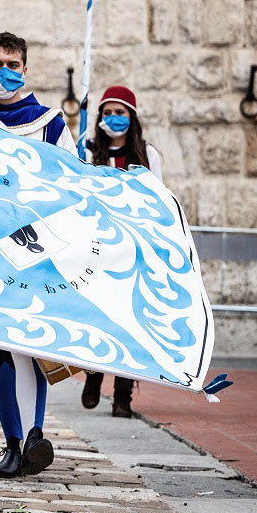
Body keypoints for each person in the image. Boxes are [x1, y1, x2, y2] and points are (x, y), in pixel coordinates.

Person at [0, 32, 74, 480]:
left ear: (25, 70)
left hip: (34, 242)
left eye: (12, 65)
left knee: (32, 344)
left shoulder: (49, 122)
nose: (4, 73)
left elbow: (72, 180)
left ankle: (34, 436)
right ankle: (13, 441)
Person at [80, 85, 163, 418]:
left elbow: (158, 203)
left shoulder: (147, 155)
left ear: (132, 116)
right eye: (108, 112)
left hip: (133, 251)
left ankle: (123, 397)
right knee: (99, 319)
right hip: (98, 250)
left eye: (121, 112)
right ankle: (93, 374)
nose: (114, 118)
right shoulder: (87, 153)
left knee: (131, 324)